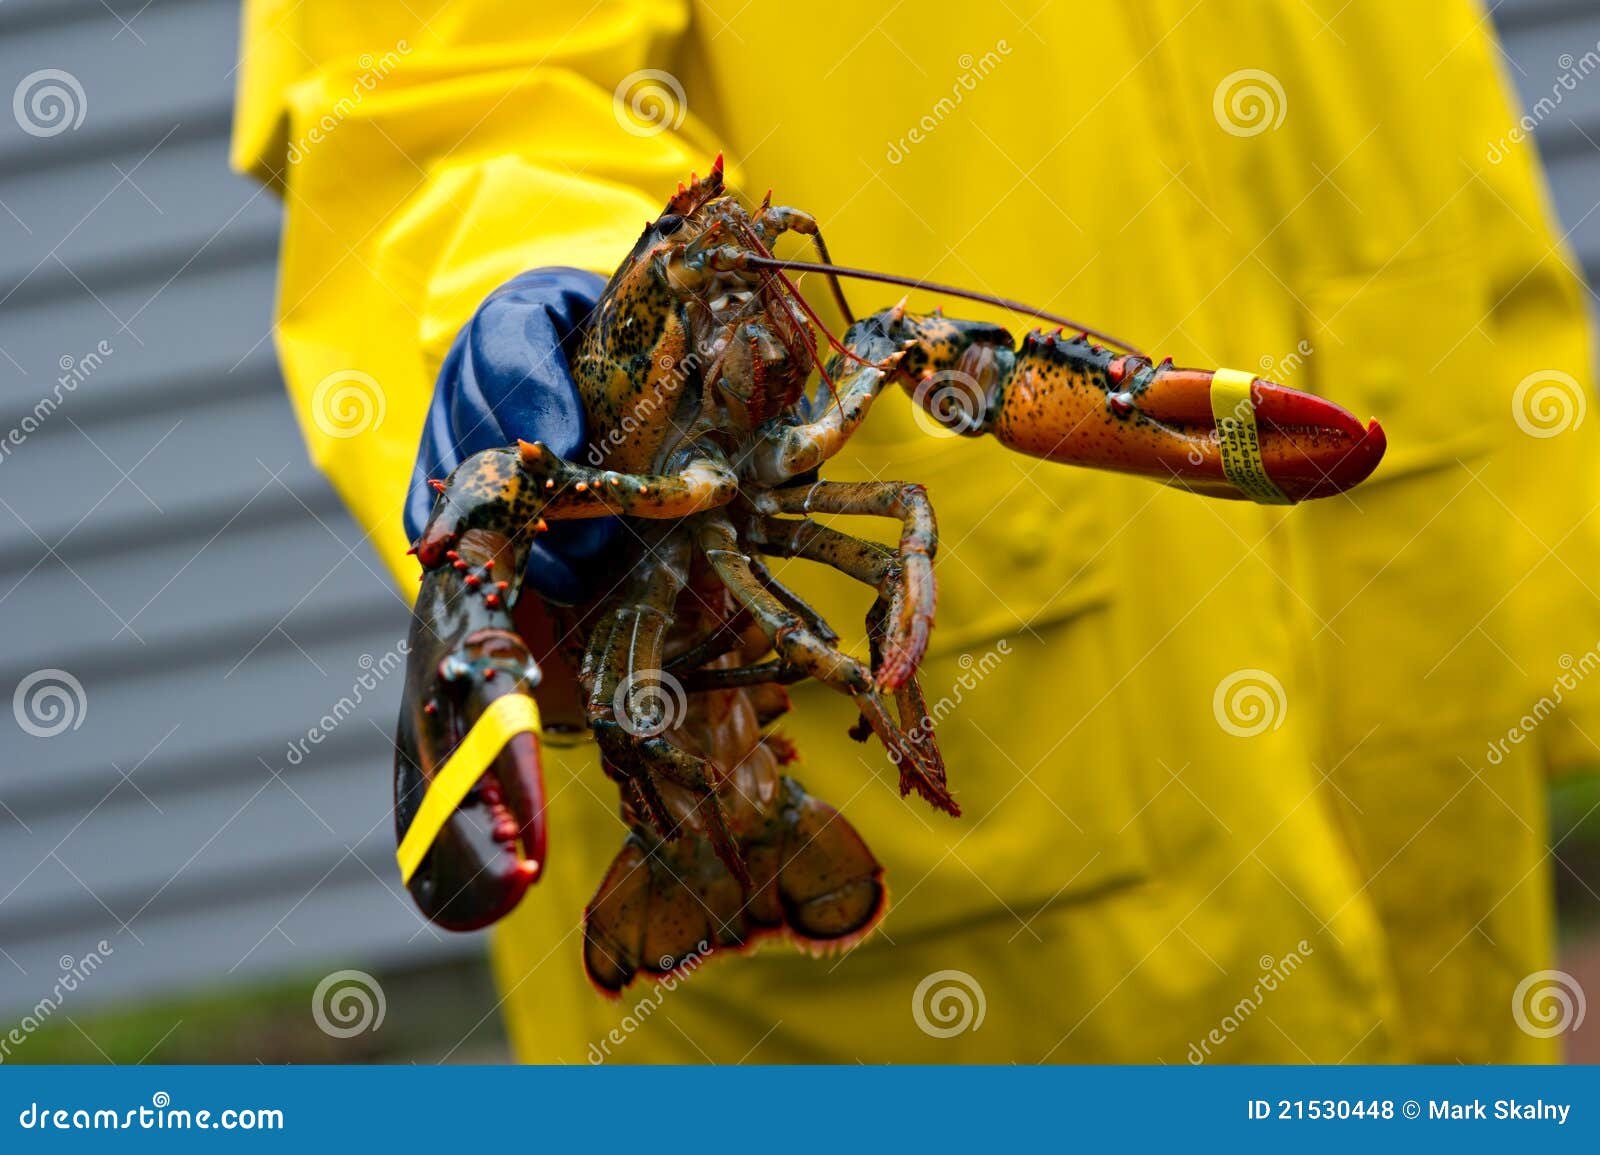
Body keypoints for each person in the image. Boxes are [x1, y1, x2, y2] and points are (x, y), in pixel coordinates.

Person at [234, 0, 1600, 1062]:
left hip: (1411, 757)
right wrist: (525, 289)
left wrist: (1543, 588)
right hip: (981, 930)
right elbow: (436, 105)